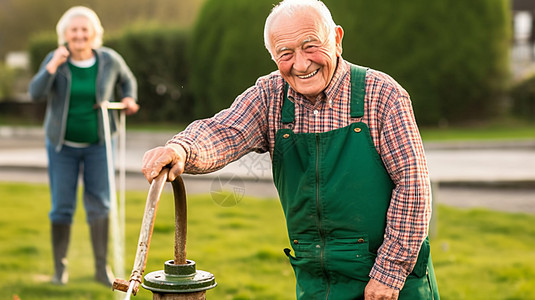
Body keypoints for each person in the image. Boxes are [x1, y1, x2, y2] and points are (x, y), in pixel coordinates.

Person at [142, 0, 439, 299]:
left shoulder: (382, 94)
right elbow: (224, 131)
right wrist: (180, 149)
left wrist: (389, 273)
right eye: (286, 54)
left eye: (310, 46)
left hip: (391, 282)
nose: (300, 64)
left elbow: (412, 185)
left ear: (336, 39)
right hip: (316, 282)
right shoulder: (269, 95)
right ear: (273, 57)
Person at [28, 6, 139, 286]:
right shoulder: (57, 61)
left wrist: (128, 99)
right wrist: (52, 65)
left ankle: (102, 270)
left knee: (100, 203)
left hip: (100, 144)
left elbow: (128, 81)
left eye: (84, 30)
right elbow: (35, 93)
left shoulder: (109, 60)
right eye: (73, 30)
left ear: (94, 34)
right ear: (64, 35)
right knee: (62, 206)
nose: (79, 35)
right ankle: (59, 270)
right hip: (61, 146)